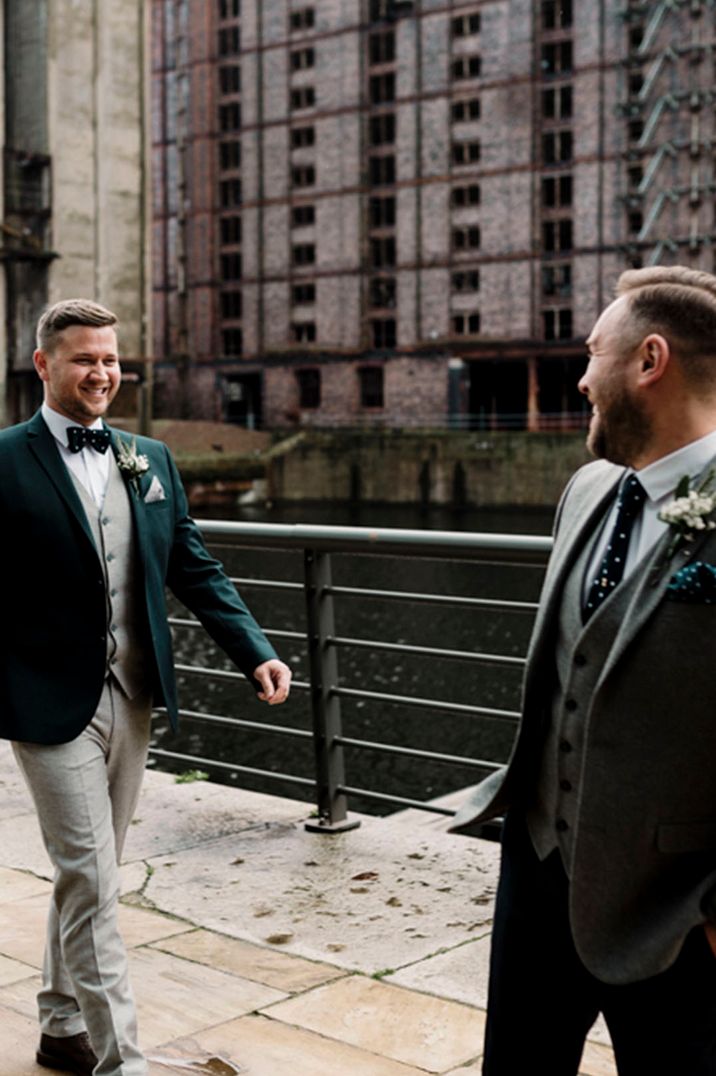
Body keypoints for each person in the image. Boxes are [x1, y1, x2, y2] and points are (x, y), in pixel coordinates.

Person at [1, 299, 291, 1076]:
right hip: (44, 703)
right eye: (83, 359)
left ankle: (62, 1025)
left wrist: (253, 649)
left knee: (91, 873)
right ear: (43, 366)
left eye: (110, 359)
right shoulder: (2, 460)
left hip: (132, 693)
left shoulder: (149, 459)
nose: (101, 373)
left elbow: (192, 566)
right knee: (92, 874)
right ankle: (120, 1060)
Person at [450, 265, 716, 1075]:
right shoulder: (585, 489)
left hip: (673, 910)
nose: (580, 377)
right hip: (536, 868)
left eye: (594, 353)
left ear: (649, 360)